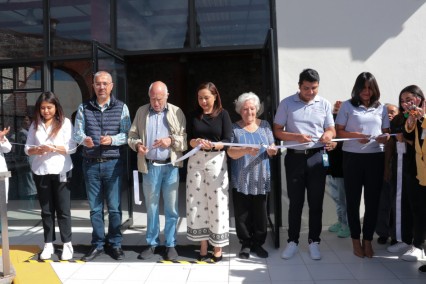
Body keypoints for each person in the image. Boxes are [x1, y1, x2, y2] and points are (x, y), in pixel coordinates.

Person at [273, 68, 335, 260]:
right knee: (296, 203)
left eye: (314, 88)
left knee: (316, 203)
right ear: (299, 86)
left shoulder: (324, 103)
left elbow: (331, 128)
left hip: (317, 156)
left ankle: (314, 242)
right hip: (294, 158)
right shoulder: (287, 103)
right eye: (306, 88)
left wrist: (329, 135)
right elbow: (277, 131)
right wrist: (296, 137)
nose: (310, 92)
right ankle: (292, 241)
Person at [73, 71, 131, 261]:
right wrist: (84, 140)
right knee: (95, 209)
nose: (101, 87)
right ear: (93, 86)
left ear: (111, 86)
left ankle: (115, 243)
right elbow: (77, 134)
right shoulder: (84, 108)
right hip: (90, 164)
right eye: (98, 83)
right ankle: (97, 244)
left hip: (112, 163)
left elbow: (128, 134)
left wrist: (112, 139)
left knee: (114, 207)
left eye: (105, 83)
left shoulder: (122, 108)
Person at [128, 81, 187, 261]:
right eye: (153, 99)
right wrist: (138, 145)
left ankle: (170, 244)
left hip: (170, 166)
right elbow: (132, 136)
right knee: (152, 208)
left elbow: (184, 139)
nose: (156, 103)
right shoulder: (141, 112)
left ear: (167, 96)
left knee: (171, 208)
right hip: (150, 166)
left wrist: (171, 140)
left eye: (159, 99)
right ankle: (152, 243)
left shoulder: (177, 112)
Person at [335, 72, 390, 258]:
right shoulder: (347, 106)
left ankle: (368, 241)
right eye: (363, 88)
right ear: (357, 88)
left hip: (375, 157)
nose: (366, 91)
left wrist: (384, 137)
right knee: (353, 201)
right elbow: (338, 130)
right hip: (352, 158)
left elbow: (386, 132)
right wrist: (356, 136)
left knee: (372, 202)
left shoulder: (381, 108)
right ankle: (355, 241)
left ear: (375, 89)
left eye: (370, 88)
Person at [25, 92, 76, 260]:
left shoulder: (65, 123)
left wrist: (53, 147)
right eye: (42, 108)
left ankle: (67, 243)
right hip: (41, 171)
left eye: (49, 107)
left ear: (56, 107)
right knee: (46, 211)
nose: (46, 111)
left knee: (63, 209)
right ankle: (48, 243)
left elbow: (72, 148)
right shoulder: (35, 125)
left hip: (61, 169)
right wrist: (37, 150)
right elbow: (27, 148)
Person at [227, 92, 278, 259]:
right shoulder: (234, 128)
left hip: (261, 177)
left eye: (252, 108)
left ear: (257, 109)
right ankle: (246, 244)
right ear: (239, 111)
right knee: (242, 214)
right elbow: (230, 152)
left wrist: (272, 151)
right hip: (241, 177)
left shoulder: (265, 126)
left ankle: (258, 243)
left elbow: (272, 148)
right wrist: (246, 149)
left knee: (260, 213)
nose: (249, 112)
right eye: (245, 109)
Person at [186, 82, 232, 262]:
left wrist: (214, 144)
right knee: (196, 202)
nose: (203, 101)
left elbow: (228, 139)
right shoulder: (193, 115)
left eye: (206, 97)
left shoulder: (223, 114)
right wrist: (196, 142)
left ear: (215, 97)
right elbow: (188, 139)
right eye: (200, 98)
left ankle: (218, 246)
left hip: (216, 160)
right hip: (195, 160)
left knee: (217, 202)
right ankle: (203, 244)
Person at [398, 86, 426, 265]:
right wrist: (412, 119)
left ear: (419, 98)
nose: (406, 103)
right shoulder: (412, 115)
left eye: (409, 99)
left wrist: (421, 116)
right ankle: (418, 245)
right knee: (419, 209)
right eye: (403, 101)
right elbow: (408, 131)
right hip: (420, 169)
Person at [376, 103, 399, 245]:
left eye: (392, 112)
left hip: (397, 170)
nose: (389, 114)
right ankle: (383, 232)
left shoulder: (403, 128)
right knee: (382, 203)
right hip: (379, 170)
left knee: (395, 204)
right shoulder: (377, 129)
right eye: (386, 112)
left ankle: (396, 235)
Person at [326, 100, 350, 238]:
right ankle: (340, 221)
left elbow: (348, 143)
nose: (336, 107)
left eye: (339, 108)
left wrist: (336, 145)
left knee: (343, 199)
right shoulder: (329, 125)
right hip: (331, 169)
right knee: (336, 197)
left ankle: (346, 225)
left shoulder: (347, 125)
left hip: (342, 169)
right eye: (335, 108)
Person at [0, 127, 12, 202]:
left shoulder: (0, 134)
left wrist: (1, 139)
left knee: (2, 198)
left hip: (1, 170)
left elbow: (8, 149)